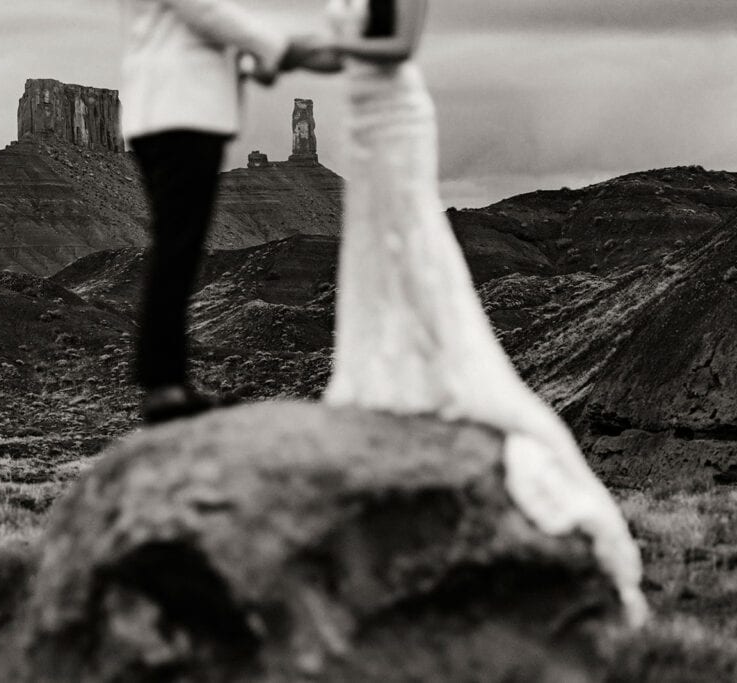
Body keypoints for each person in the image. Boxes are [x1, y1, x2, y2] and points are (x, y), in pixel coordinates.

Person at [320, 0, 649, 627]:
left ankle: (426, 367)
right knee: (370, 241)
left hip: (392, 113)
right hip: (361, 118)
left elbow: (397, 48)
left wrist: (323, 53)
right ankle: (386, 365)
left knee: (406, 237)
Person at [119, 0, 335, 423]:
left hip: (171, 115)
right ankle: (162, 384)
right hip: (180, 119)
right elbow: (208, 14)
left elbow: (204, 33)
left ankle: (167, 380)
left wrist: (256, 59)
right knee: (178, 246)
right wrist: (273, 47)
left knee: (180, 247)